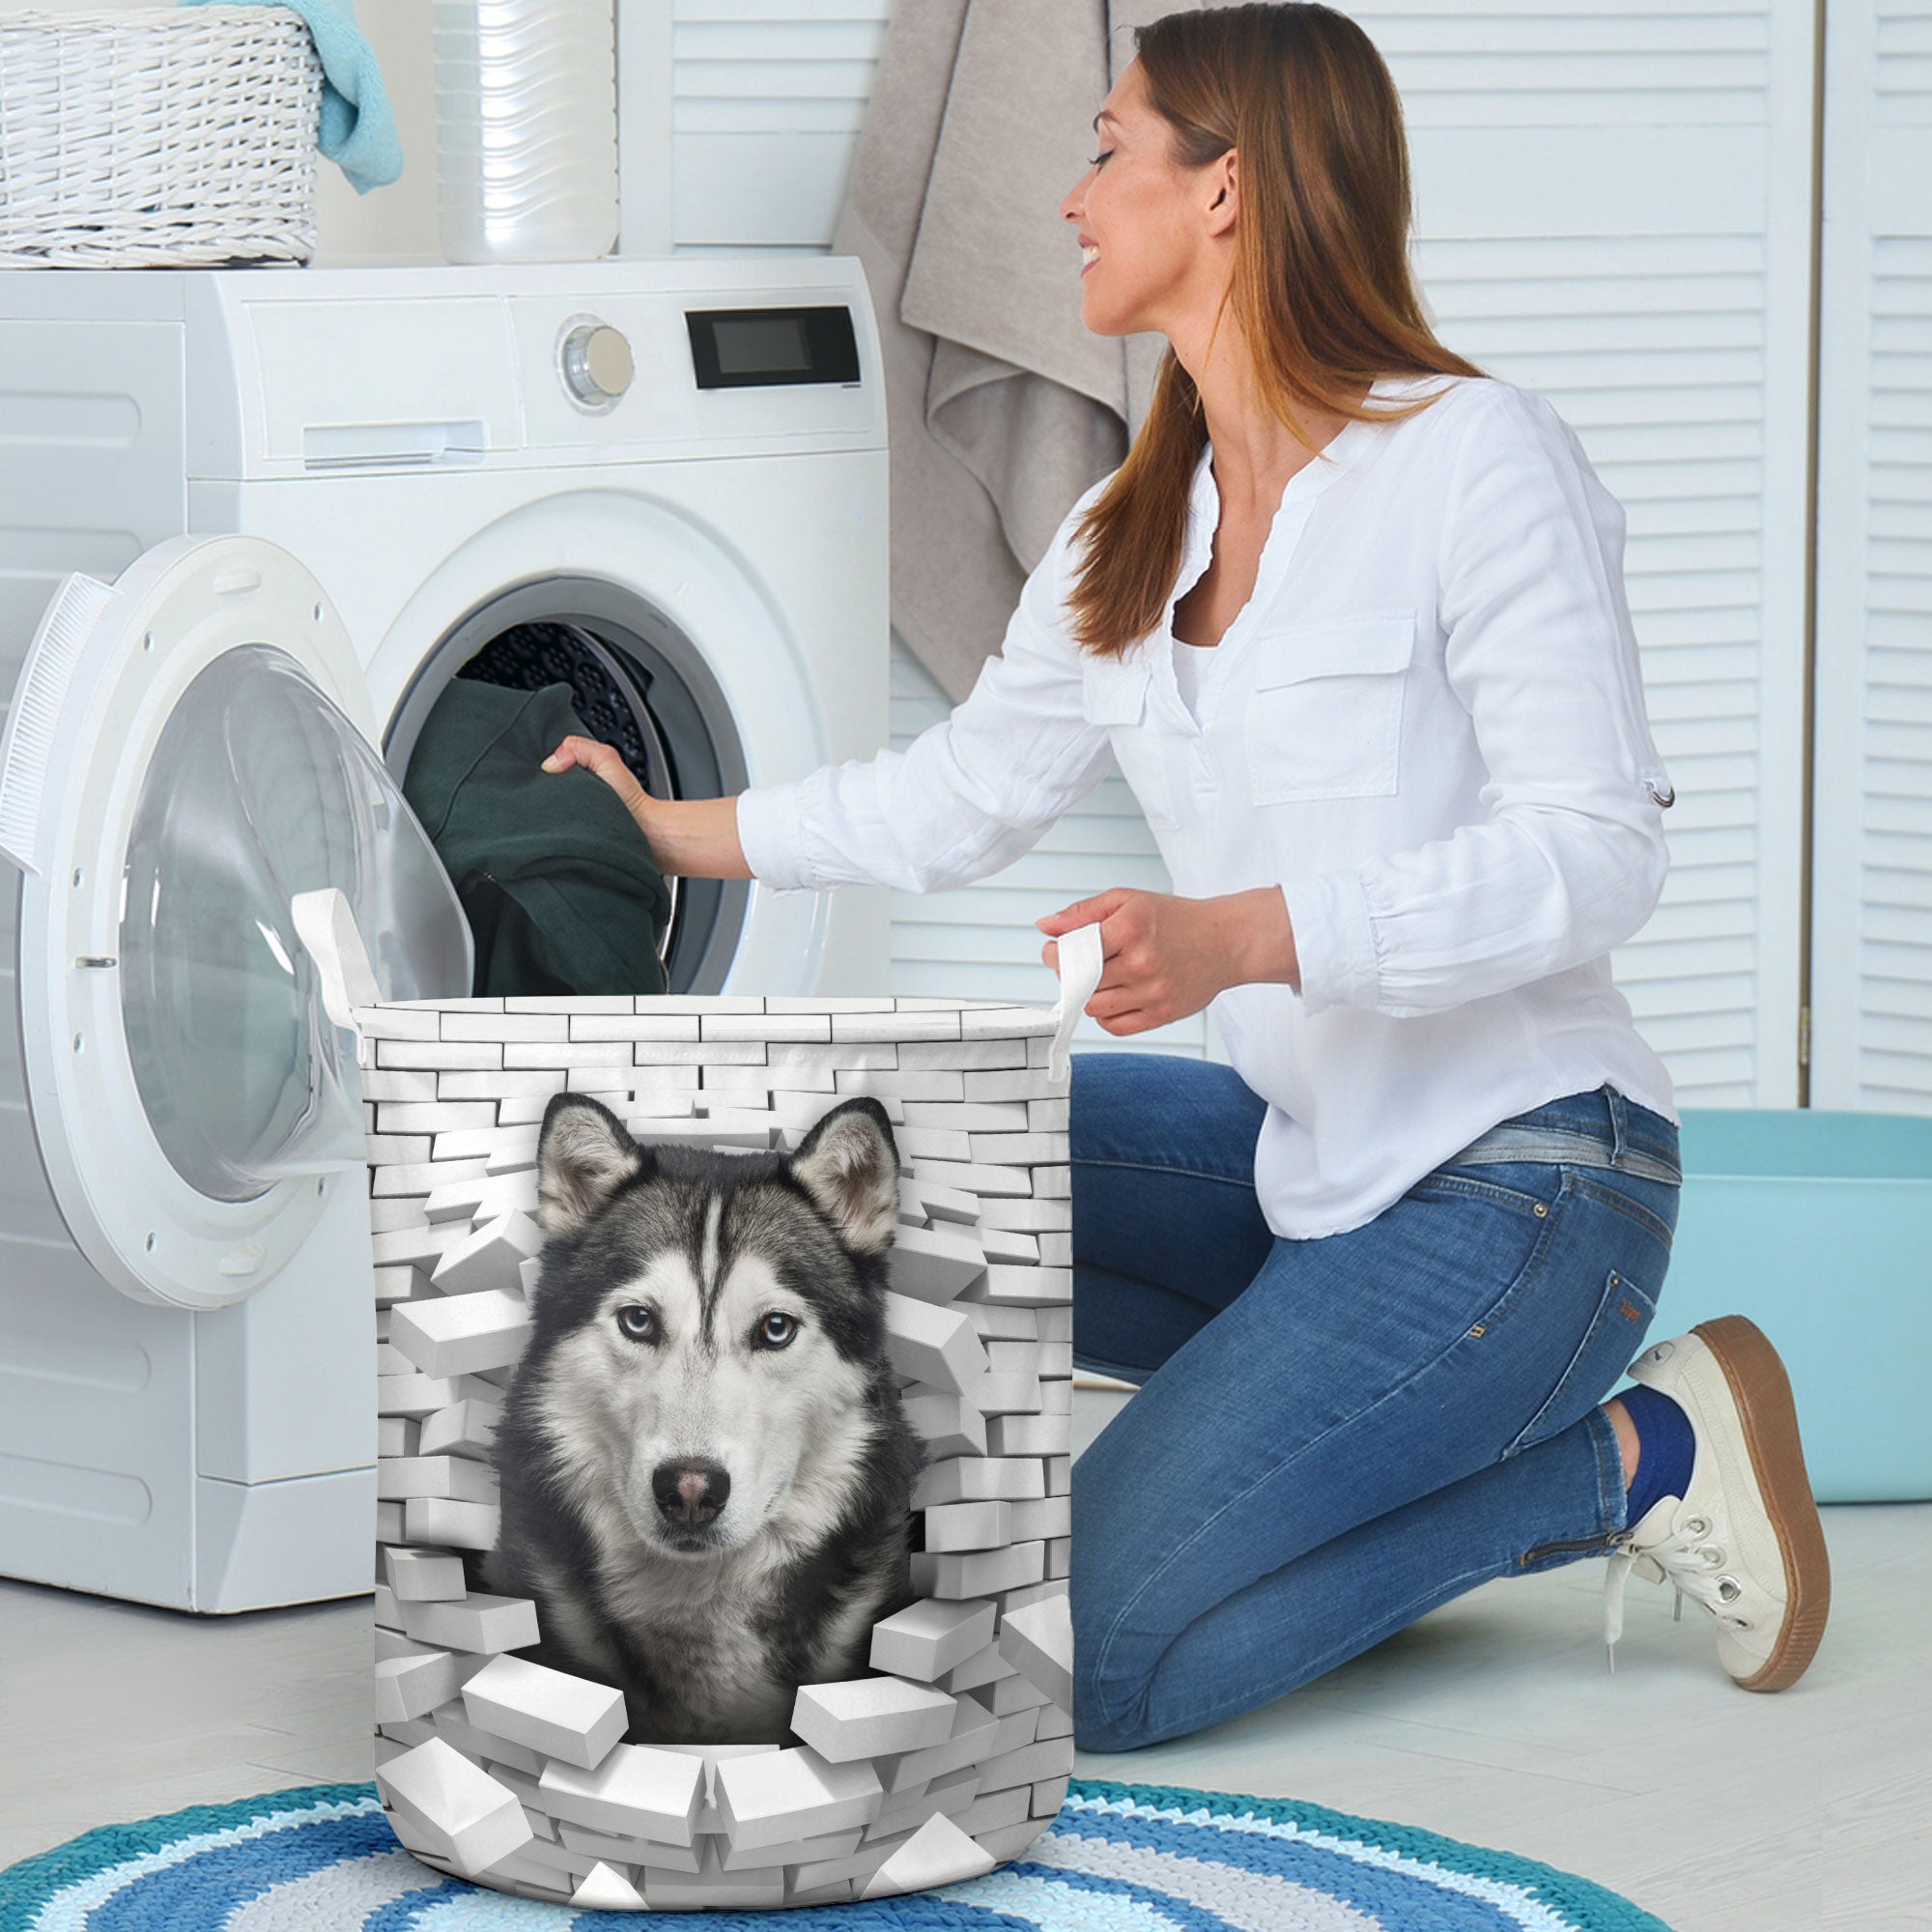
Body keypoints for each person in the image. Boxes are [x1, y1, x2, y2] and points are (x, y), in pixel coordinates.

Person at [540, 0, 1831, 1754]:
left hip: (1529, 1186)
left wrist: (1250, 939)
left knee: (1096, 1661)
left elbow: (1599, 856)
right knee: (901, 1174)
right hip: (1313, 1172)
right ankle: (1258, 1444)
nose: (1070, 198)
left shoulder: (1472, 459)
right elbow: (962, 797)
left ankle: (1632, 1461)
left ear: (1226, 191)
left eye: (1106, 150)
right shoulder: (1129, 527)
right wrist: (684, 826)